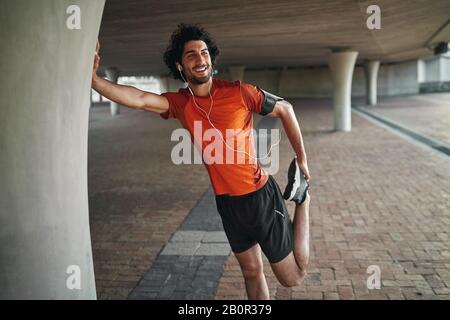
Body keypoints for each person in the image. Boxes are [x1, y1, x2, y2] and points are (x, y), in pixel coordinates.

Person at [91, 23, 311, 300]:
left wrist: (301, 158)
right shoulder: (182, 103)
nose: (200, 59)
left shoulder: (239, 92)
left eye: (204, 52)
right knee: (251, 271)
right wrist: (95, 80)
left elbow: (286, 109)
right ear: (180, 66)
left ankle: (302, 199)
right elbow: (139, 99)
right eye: (191, 54)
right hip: (228, 204)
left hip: (259, 197)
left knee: (292, 278)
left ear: (211, 58)